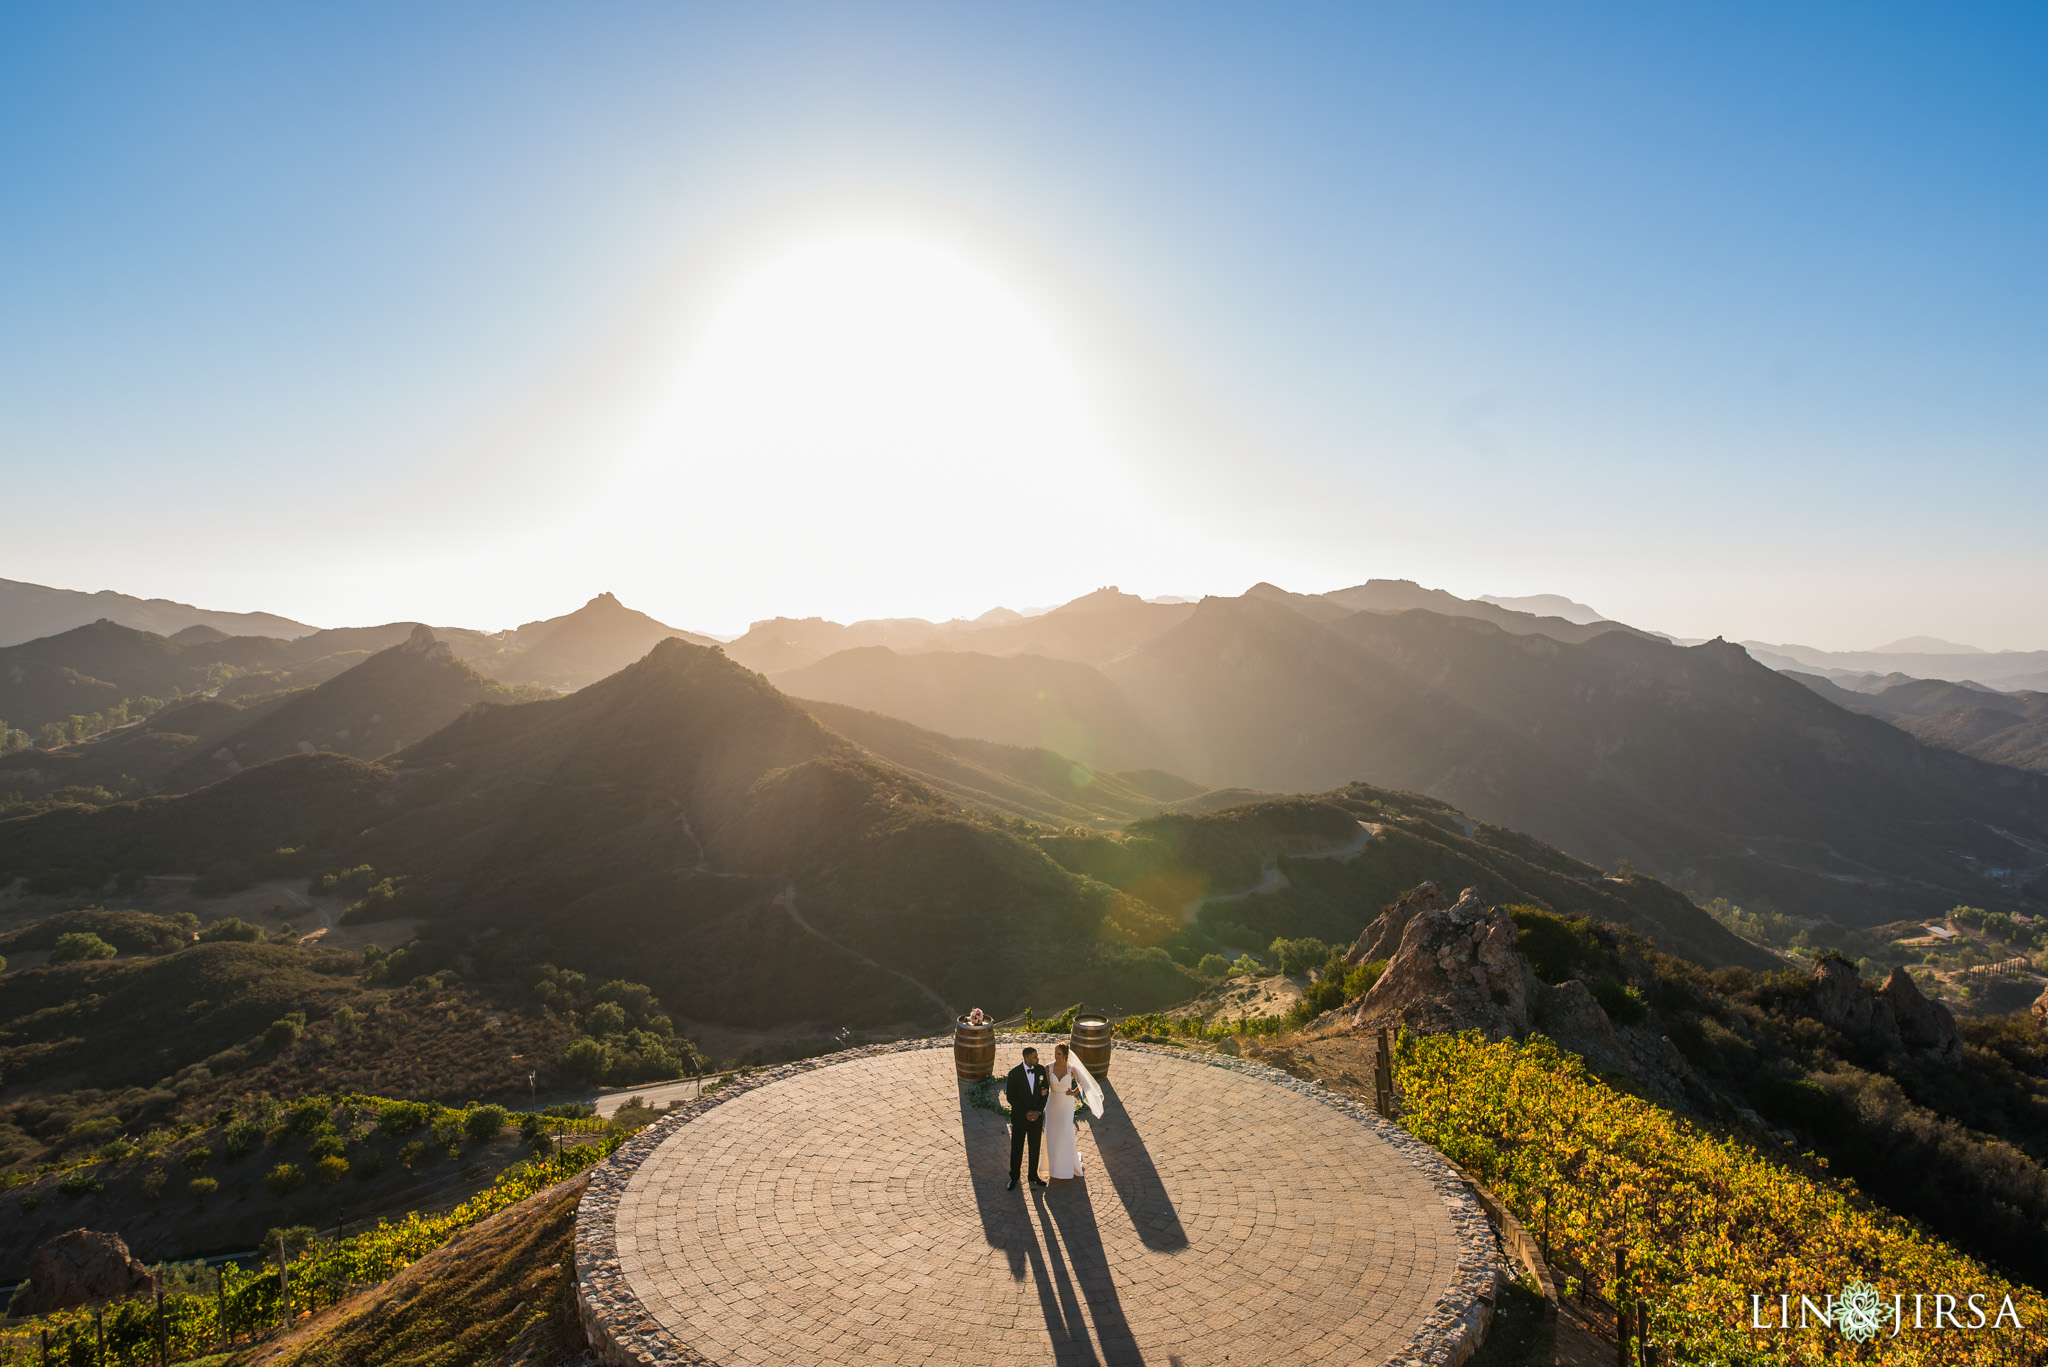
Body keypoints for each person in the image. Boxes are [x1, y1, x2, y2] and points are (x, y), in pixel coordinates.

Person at [1043, 1042, 1106, 1182]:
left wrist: (1074, 1092)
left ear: (1065, 1055)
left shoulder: (1071, 1069)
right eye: (1055, 1053)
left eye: (1059, 1054)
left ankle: (1066, 1167)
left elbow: (1084, 1082)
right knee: (1052, 1133)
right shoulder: (1048, 1068)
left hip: (1066, 1104)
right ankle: (1053, 1166)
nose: (1056, 1056)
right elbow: (1045, 1086)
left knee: (1065, 1132)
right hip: (1052, 1104)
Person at [1005, 1046, 1051, 1190]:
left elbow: (1045, 1092)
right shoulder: (1014, 1074)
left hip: (1036, 1118)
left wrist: (1038, 1111)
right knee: (1017, 1147)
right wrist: (1025, 1112)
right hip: (1020, 1117)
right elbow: (1011, 1097)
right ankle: (1014, 1177)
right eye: (1035, 1056)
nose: (1038, 1059)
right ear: (1027, 1058)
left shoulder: (1040, 1070)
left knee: (1035, 1146)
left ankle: (1033, 1175)